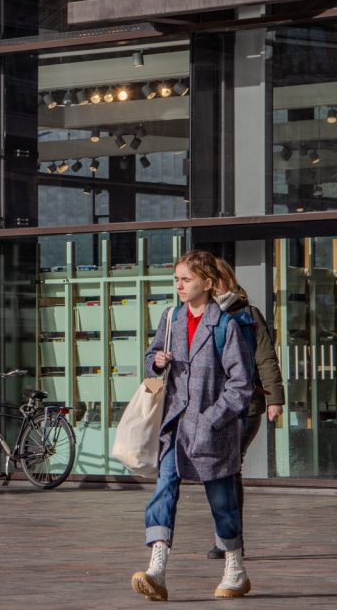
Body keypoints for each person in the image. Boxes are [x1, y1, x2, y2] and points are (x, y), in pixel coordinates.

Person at [132, 250, 254, 601]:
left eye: (186, 279)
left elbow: (240, 384)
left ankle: (235, 567)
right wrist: (155, 361)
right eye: (177, 279)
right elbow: (149, 360)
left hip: (212, 428)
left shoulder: (226, 325)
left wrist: (212, 419)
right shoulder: (170, 318)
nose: (179, 285)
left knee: (221, 499)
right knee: (164, 490)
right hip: (174, 424)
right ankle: (156, 568)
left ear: (208, 283)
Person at [204, 258, 285, 559]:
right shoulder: (199, 316)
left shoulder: (248, 315)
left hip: (244, 405)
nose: (210, 288)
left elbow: (265, 357)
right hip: (212, 408)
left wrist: (275, 398)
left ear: (225, 280)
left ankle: (229, 540)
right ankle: (226, 537)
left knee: (228, 466)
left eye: (214, 280)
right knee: (218, 470)